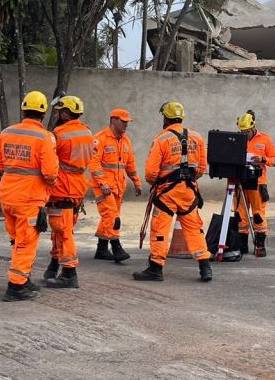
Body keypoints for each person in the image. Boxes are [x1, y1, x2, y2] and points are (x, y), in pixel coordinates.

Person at [133, 101, 212, 283]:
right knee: (194, 230)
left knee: (160, 229)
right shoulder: (197, 138)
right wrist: (190, 180)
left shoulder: (161, 139)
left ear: (166, 118)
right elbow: (201, 168)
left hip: (167, 194)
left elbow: (151, 173)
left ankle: (156, 268)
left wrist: (158, 182)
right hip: (189, 192)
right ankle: (205, 267)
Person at [0, 91, 59, 302]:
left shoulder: (7, 132)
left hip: (7, 196)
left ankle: (23, 279)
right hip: (29, 199)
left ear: (24, 109)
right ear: (43, 112)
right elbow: (50, 173)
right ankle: (16, 286)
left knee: (16, 240)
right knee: (26, 243)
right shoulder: (44, 137)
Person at [43, 96, 94, 289]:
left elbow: (50, 161)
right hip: (78, 187)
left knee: (63, 232)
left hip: (61, 187)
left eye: (59, 111)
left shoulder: (59, 134)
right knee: (63, 229)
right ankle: (55, 263)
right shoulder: (88, 132)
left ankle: (69, 273)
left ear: (65, 113)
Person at [89, 108, 142, 263]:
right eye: (123, 121)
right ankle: (116, 248)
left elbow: (130, 164)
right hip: (104, 187)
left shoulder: (125, 140)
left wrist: (137, 182)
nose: (126, 125)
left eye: (127, 122)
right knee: (112, 217)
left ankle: (101, 249)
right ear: (113, 120)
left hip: (118, 187)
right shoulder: (100, 138)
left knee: (109, 217)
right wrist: (102, 183)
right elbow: (94, 163)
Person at [235, 110, 275, 258]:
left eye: (246, 131)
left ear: (253, 126)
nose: (244, 134)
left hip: (258, 183)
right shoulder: (237, 139)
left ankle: (260, 245)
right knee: (241, 215)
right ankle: (242, 245)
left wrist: (262, 159)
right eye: (242, 131)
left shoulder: (265, 139)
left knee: (258, 214)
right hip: (240, 181)